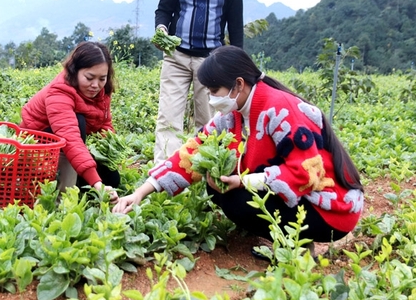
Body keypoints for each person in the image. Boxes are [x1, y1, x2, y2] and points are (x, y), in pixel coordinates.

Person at [114, 45, 364, 247]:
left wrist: (245, 181)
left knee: (237, 199)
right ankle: (286, 240)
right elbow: (192, 152)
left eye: (215, 90)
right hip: (301, 201)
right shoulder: (233, 114)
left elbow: (307, 173)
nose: (212, 99)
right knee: (217, 188)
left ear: (239, 84)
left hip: (329, 211)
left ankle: (298, 247)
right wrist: (139, 193)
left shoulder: (281, 109)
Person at [153, 0, 244, 164]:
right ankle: (163, 172)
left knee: (208, 120)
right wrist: (161, 28)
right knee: (168, 117)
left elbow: (235, 25)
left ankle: (202, 171)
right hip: (177, 57)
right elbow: (164, 10)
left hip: (210, 61)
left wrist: (237, 64)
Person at [19, 41, 119, 202]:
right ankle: (64, 194)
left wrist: (108, 149)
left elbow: (104, 123)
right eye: (89, 77)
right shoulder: (59, 91)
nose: (96, 85)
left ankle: (80, 181)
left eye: (102, 78)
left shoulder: (101, 89)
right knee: (78, 122)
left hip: (74, 142)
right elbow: (70, 137)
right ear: (74, 71)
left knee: (112, 180)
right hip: (38, 144)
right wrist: (97, 184)